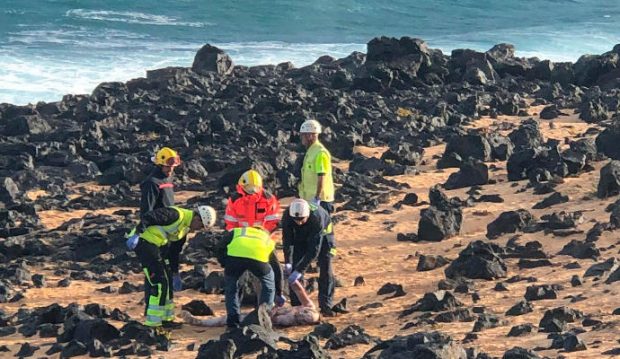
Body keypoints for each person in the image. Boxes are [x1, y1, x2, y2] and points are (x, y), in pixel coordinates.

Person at [125, 205, 216, 334]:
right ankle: (153, 323)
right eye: (200, 226)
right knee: (159, 282)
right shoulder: (175, 215)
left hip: (157, 247)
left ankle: (166, 318)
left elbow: (174, 252)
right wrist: (137, 234)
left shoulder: (184, 230)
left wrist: (174, 273)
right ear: (197, 218)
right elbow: (149, 217)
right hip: (144, 243)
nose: (198, 230)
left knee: (167, 282)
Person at [139, 147, 185, 328]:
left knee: (165, 277)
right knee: (156, 279)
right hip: (154, 237)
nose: (171, 169)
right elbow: (147, 212)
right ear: (159, 163)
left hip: (165, 236)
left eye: (173, 165)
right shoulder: (151, 183)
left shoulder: (168, 179)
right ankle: (152, 318)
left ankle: (165, 317)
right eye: (168, 165)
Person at [223, 170, 285, 306]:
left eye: (254, 188)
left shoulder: (268, 199)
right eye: (248, 188)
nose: (251, 191)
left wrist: (261, 235)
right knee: (237, 277)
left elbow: (273, 222)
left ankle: (278, 295)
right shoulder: (234, 200)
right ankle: (236, 305)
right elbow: (230, 223)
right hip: (241, 241)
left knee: (274, 268)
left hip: (263, 241)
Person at [181, 279, 319, 328]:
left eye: (303, 316)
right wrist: (294, 281)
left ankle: (198, 322)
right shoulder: (309, 307)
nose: (303, 313)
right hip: (263, 311)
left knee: (226, 319)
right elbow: (301, 293)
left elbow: (273, 318)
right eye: (306, 312)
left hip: (259, 320)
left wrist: (276, 307)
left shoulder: (289, 319)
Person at [281, 198, 336, 316]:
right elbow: (287, 241)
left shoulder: (317, 218)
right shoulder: (287, 216)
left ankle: (326, 305)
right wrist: (288, 262)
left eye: (301, 219)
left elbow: (314, 250)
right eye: (296, 220)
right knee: (295, 267)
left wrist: (300, 270)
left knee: (326, 267)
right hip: (301, 235)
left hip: (324, 236)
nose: (299, 222)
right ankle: (297, 305)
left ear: (307, 215)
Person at [223, 226, 277, 328]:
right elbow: (275, 266)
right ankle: (264, 318)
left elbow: (220, 246)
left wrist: (224, 263)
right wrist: (279, 291)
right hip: (258, 260)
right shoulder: (268, 239)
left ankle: (232, 323)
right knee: (269, 286)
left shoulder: (238, 231)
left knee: (231, 289)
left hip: (235, 259)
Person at [298, 120, 335, 214]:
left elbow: (321, 176)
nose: (301, 138)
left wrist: (317, 198)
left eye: (303, 135)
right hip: (309, 199)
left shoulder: (320, 153)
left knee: (322, 227)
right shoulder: (311, 151)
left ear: (310, 135)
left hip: (320, 201)